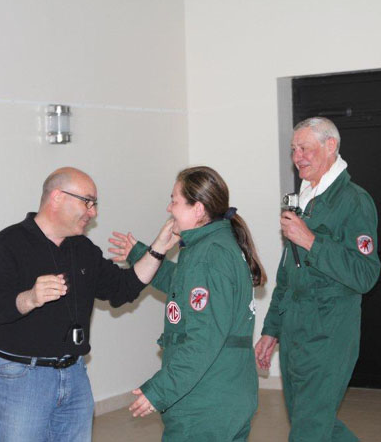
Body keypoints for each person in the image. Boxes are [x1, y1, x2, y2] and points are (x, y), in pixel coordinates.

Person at [0, 167, 177, 442]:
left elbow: (123, 287)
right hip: (22, 379)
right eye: (87, 202)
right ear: (57, 197)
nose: (93, 212)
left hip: (74, 375)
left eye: (94, 204)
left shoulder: (83, 249)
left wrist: (158, 249)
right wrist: (30, 298)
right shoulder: (7, 244)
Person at [108, 166, 267, 441]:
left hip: (205, 401)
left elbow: (202, 342)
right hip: (227, 392)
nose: (169, 208)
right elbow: (181, 284)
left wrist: (159, 391)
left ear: (198, 209)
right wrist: (142, 254)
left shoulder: (208, 255)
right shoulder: (216, 246)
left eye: (174, 201)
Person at [255, 117, 380, 442]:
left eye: (305, 148)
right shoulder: (304, 199)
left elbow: (365, 274)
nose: (297, 156)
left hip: (329, 334)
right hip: (295, 332)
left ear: (330, 146)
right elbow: (287, 274)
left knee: (309, 428)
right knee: (313, 422)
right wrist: (271, 329)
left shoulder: (354, 201)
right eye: (293, 149)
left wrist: (311, 241)